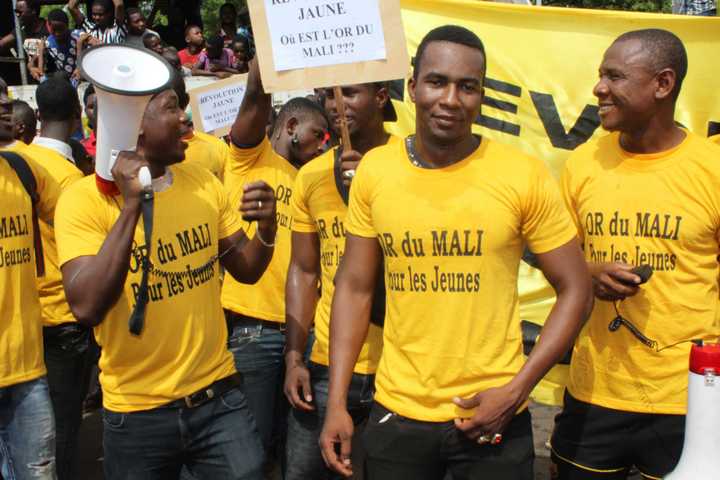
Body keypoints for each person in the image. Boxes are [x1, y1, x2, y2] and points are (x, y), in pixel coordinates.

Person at [319, 25, 593, 480]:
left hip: (494, 413)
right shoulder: (375, 172)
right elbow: (354, 288)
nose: (450, 99)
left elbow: (576, 289)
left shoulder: (521, 174)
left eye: (467, 87)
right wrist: (336, 403)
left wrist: (516, 390)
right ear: (412, 87)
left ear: (481, 96)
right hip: (398, 412)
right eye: (437, 82)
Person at [55, 71, 276, 480]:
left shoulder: (203, 182)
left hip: (218, 399)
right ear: (136, 123)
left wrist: (267, 228)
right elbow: (85, 306)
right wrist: (132, 206)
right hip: (136, 414)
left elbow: (247, 269)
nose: (185, 118)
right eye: (172, 107)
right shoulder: (82, 202)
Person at [550, 29, 720, 480]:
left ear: (663, 84)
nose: (599, 88)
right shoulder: (584, 163)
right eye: (600, 75)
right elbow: (556, 261)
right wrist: (586, 273)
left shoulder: (712, 169)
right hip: (594, 392)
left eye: (615, 76)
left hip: (688, 399)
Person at [284, 82, 398, 479]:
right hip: (326, 365)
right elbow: (304, 271)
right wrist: (294, 357)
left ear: (381, 96)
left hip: (398, 368)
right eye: (328, 95)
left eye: (348, 93)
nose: (335, 104)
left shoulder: (412, 163)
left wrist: (367, 192)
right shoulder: (311, 176)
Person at [221, 57, 329, 467]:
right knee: (250, 452)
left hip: (303, 338)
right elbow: (254, 97)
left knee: (292, 453)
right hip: (255, 333)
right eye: (318, 134)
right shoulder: (251, 157)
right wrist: (268, 54)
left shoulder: (310, 181)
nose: (323, 145)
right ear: (291, 126)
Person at [21, 76, 89, 480]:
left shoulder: (16, 161)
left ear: (38, 114)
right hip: (63, 318)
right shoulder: (71, 182)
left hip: (25, 312)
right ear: (78, 115)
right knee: (62, 426)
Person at [0, 74, 60, 480]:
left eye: (5, 95)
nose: (5, 103)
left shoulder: (22, 170)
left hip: (27, 370)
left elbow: (78, 209)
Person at [35, 10, 81, 84]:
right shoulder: (47, 43)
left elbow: (93, 42)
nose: (57, 33)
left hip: (79, 75)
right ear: (48, 26)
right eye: (54, 29)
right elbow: (40, 72)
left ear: (67, 26)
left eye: (61, 29)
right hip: (63, 79)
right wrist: (41, 52)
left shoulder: (77, 35)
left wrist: (80, 44)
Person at [81, 84, 97, 159]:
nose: (97, 111)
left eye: (101, 105)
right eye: (92, 107)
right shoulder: (81, 149)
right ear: (85, 112)